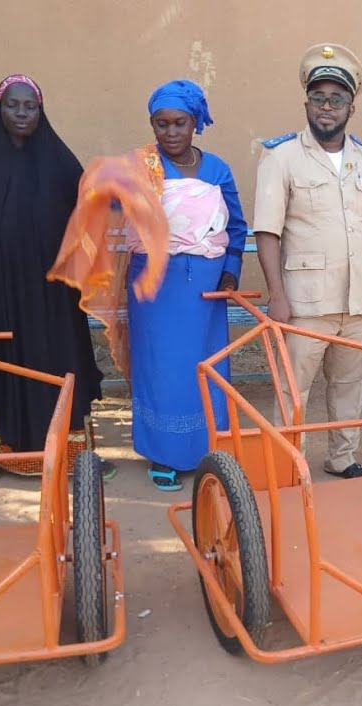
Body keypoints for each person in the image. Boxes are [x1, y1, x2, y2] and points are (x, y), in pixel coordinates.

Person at [0, 73, 115, 489]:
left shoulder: (61, 163)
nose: (22, 112)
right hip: (1, 293)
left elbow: (87, 214)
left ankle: (78, 457)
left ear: (41, 111)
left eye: (31, 106)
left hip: (54, 298)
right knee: (5, 369)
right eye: (13, 105)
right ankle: (0, 456)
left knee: (62, 368)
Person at [252, 43, 362, 478]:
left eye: (337, 99)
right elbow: (267, 231)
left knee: (352, 385)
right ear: (307, 103)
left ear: (351, 108)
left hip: (359, 299)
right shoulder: (281, 158)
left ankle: (342, 457)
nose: (327, 107)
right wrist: (276, 295)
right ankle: (283, 461)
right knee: (292, 387)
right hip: (305, 302)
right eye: (319, 98)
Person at [125, 79, 248, 491]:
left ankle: (209, 446)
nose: (171, 133)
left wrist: (232, 268)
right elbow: (111, 202)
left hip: (207, 290)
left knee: (205, 364)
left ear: (195, 123)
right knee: (162, 365)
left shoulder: (217, 169)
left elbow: (236, 224)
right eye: (162, 124)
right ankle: (163, 453)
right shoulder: (143, 166)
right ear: (152, 125)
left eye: (180, 123)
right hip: (155, 287)